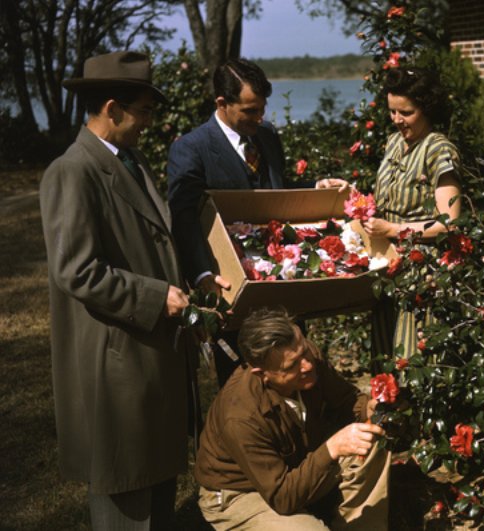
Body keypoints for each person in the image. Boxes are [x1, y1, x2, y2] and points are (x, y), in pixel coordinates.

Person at [39, 51, 191, 530]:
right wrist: (154, 297)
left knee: (156, 483)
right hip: (115, 359)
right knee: (126, 489)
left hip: (147, 353)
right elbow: (76, 270)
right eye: (144, 111)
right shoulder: (73, 171)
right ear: (113, 108)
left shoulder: (129, 160)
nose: (148, 122)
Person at [167, 58, 347, 387]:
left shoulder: (266, 137)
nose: (260, 118)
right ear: (222, 103)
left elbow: (277, 193)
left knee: (297, 372)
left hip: (282, 287)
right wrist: (203, 275)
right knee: (245, 384)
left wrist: (314, 189)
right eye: (250, 110)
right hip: (233, 289)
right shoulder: (191, 149)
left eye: (262, 109)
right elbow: (183, 219)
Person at [194, 309, 390, 530]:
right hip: (244, 491)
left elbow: (347, 400)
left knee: (371, 440)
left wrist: (369, 408)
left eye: (304, 351)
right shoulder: (240, 417)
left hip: (296, 466)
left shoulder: (306, 359)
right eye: (292, 365)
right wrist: (332, 448)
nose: (307, 365)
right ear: (262, 374)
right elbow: (282, 498)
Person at [363, 67, 462, 361]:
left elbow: (449, 224)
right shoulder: (394, 143)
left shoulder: (439, 151)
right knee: (385, 353)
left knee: (415, 358)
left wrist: (391, 229)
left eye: (405, 112)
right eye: (392, 112)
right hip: (387, 263)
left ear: (426, 108)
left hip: (422, 272)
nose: (396, 120)